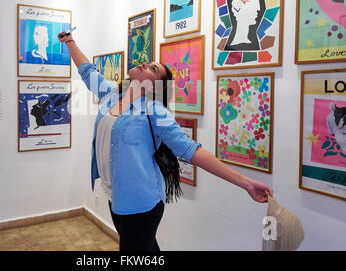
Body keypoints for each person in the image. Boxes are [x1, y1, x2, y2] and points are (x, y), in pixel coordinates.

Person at [58, 31, 273, 251]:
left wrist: (246, 183)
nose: (145, 64)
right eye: (149, 63)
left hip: (141, 202)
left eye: (153, 69)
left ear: (156, 86)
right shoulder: (113, 95)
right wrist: (70, 42)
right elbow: (87, 70)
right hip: (116, 195)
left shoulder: (154, 112)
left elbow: (192, 151)